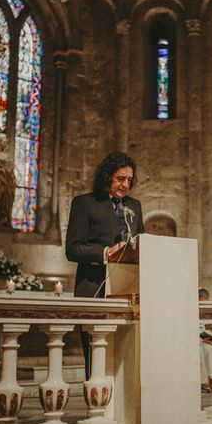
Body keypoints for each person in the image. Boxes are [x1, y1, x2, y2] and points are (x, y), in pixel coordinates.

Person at [66, 151, 145, 377]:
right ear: (107, 176)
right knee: (97, 357)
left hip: (128, 291)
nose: (126, 184)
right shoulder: (85, 204)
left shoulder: (135, 206)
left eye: (130, 180)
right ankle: (97, 405)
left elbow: (142, 242)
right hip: (95, 288)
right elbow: (72, 248)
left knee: (127, 354)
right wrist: (105, 252)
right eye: (121, 179)